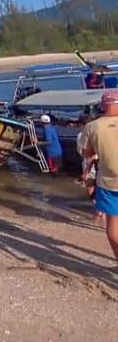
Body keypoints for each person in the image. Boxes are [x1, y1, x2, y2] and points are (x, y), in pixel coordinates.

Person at [82, 90, 118, 266]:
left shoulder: (92, 126)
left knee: (113, 222)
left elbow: (87, 153)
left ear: (104, 105)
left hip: (109, 181)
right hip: (108, 181)